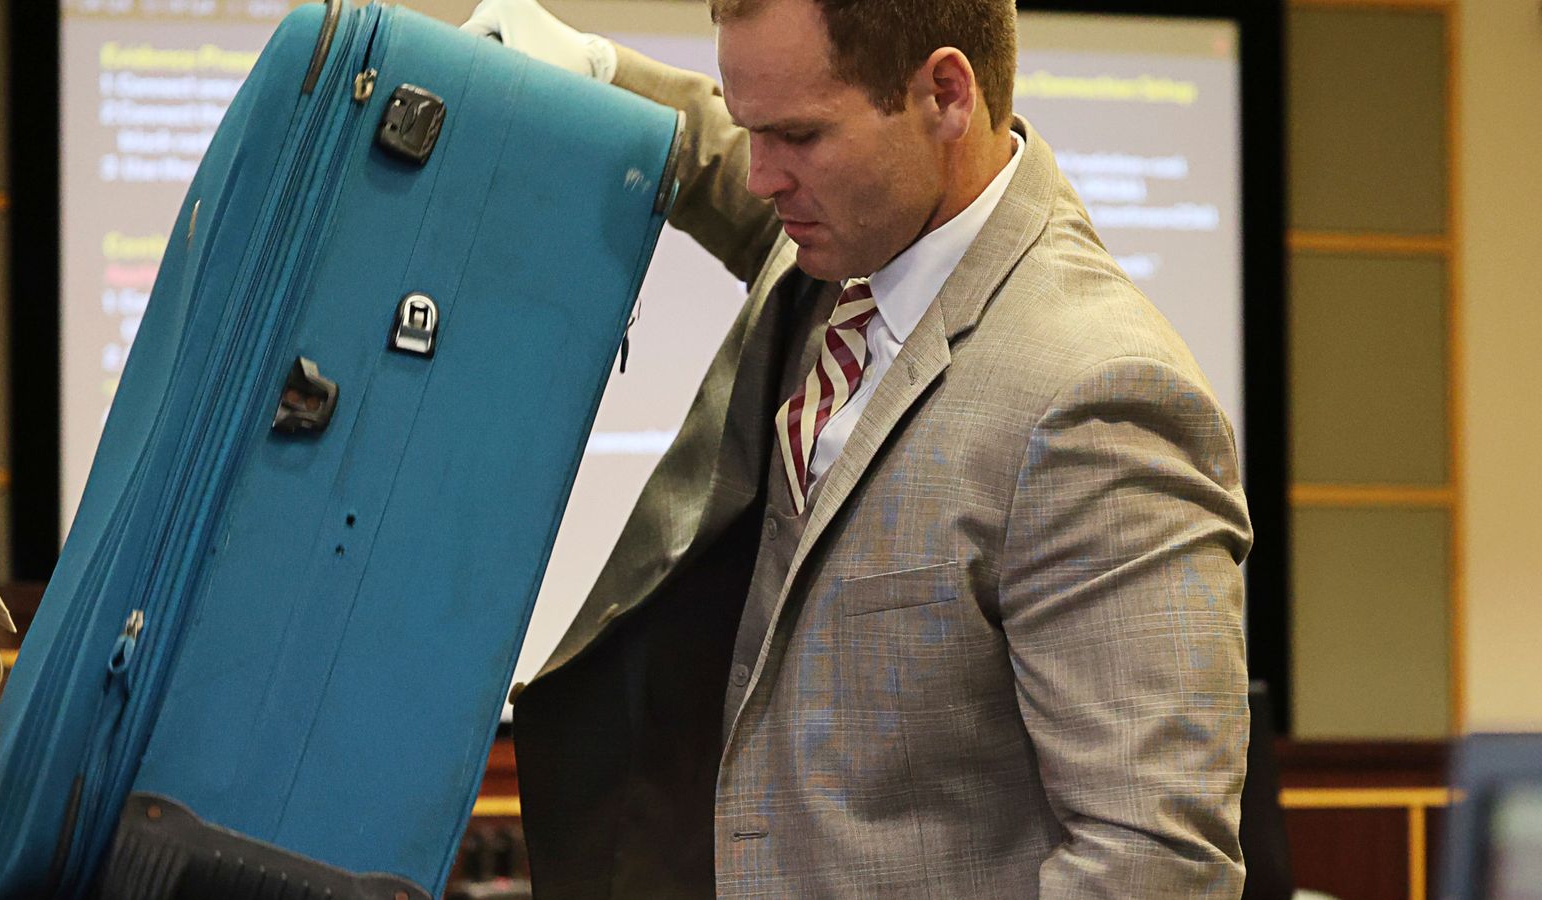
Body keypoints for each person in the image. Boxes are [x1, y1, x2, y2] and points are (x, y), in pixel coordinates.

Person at [463, 0, 1254, 895]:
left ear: (946, 95)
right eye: (752, 125)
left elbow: (1155, 862)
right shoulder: (862, 241)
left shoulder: (1098, 396)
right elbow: (729, 165)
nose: (765, 176)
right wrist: (602, 74)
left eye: (798, 134)